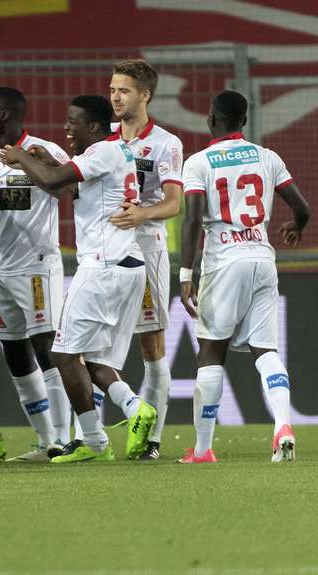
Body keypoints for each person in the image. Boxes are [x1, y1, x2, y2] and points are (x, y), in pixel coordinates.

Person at [3, 94, 157, 463]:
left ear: (93, 126)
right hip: (128, 266)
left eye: (73, 122)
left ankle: (92, 440)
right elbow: (69, 188)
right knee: (96, 360)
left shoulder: (101, 152)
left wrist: (23, 156)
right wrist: (46, 161)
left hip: (103, 266)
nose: (66, 128)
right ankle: (136, 409)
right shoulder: (115, 151)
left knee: (63, 353)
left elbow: (57, 178)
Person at [178, 90, 310, 464]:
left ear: (210, 119)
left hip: (224, 261)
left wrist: (186, 273)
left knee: (210, 352)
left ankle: (203, 450)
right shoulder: (268, 157)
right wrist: (296, 227)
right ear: (245, 122)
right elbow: (302, 207)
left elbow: (191, 219)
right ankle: (282, 425)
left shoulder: (199, 162)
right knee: (266, 351)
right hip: (262, 259)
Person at [0, 87, 72, 461]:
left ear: (4, 116)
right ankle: (46, 441)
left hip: (38, 267)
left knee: (48, 350)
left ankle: (64, 441)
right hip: (3, 270)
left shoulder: (44, 150)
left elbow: (70, 190)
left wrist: (28, 162)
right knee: (14, 353)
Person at [106, 59, 185, 460]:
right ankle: (89, 437)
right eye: (113, 89)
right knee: (85, 344)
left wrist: (142, 213)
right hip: (103, 252)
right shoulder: (102, 139)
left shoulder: (167, 144)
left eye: (123, 91)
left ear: (145, 95)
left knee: (151, 346)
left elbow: (174, 203)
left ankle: (151, 439)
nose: (115, 97)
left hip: (146, 249)